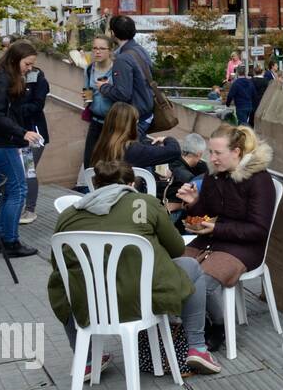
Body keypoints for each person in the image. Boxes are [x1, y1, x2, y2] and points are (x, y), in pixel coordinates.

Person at [48, 160, 220, 374]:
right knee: (191, 266)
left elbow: (58, 264)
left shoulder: (69, 214)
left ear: (95, 184)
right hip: (142, 299)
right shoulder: (145, 203)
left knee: (65, 283)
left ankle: (87, 360)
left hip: (90, 303)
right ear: (131, 184)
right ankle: (197, 348)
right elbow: (176, 249)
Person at [172, 124, 275, 334]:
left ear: (236, 152)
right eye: (211, 152)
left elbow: (259, 230)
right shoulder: (213, 174)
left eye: (218, 153)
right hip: (211, 240)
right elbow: (208, 212)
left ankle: (218, 328)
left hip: (245, 247)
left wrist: (216, 229)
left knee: (202, 283)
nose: (212, 158)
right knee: (174, 271)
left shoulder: (259, 180)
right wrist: (193, 203)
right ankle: (194, 324)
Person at [0, 39, 40, 258]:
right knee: (18, 190)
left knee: (0, 192)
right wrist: (21, 133)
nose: (29, 69)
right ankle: (10, 242)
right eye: (27, 64)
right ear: (15, 59)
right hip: (0, 144)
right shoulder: (2, 78)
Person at [91, 102, 181, 183]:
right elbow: (174, 151)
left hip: (103, 194)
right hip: (128, 197)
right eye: (136, 121)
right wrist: (166, 139)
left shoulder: (100, 143)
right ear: (131, 125)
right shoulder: (132, 149)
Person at [98, 15, 155, 132]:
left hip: (134, 119)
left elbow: (123, 94)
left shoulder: (123, 59)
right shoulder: (140, 50)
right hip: (146, 112)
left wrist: (103, 87)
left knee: (126, 150)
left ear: (113, 33)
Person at [18, 59, 50, 225]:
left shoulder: (38, 79)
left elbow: (37, 104)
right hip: (15, 133)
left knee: (28, 169)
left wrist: (13, 111)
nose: (29, 67)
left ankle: (30, 209)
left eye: (31, 63)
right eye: (26, 63)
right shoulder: (8, 76)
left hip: (34, 133)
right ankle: (19, 207)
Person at [80, 35, 116, 169]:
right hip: (95, 121)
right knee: (89, 162)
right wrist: (87, 97)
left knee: (111, 163)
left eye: (102, 48)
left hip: (113, 124)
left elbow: (123, 95)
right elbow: (87, 89)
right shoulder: (89, 69)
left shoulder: (116, 70)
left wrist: (108, 89)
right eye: (95, 48)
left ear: (110, 51)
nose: (97, 52)